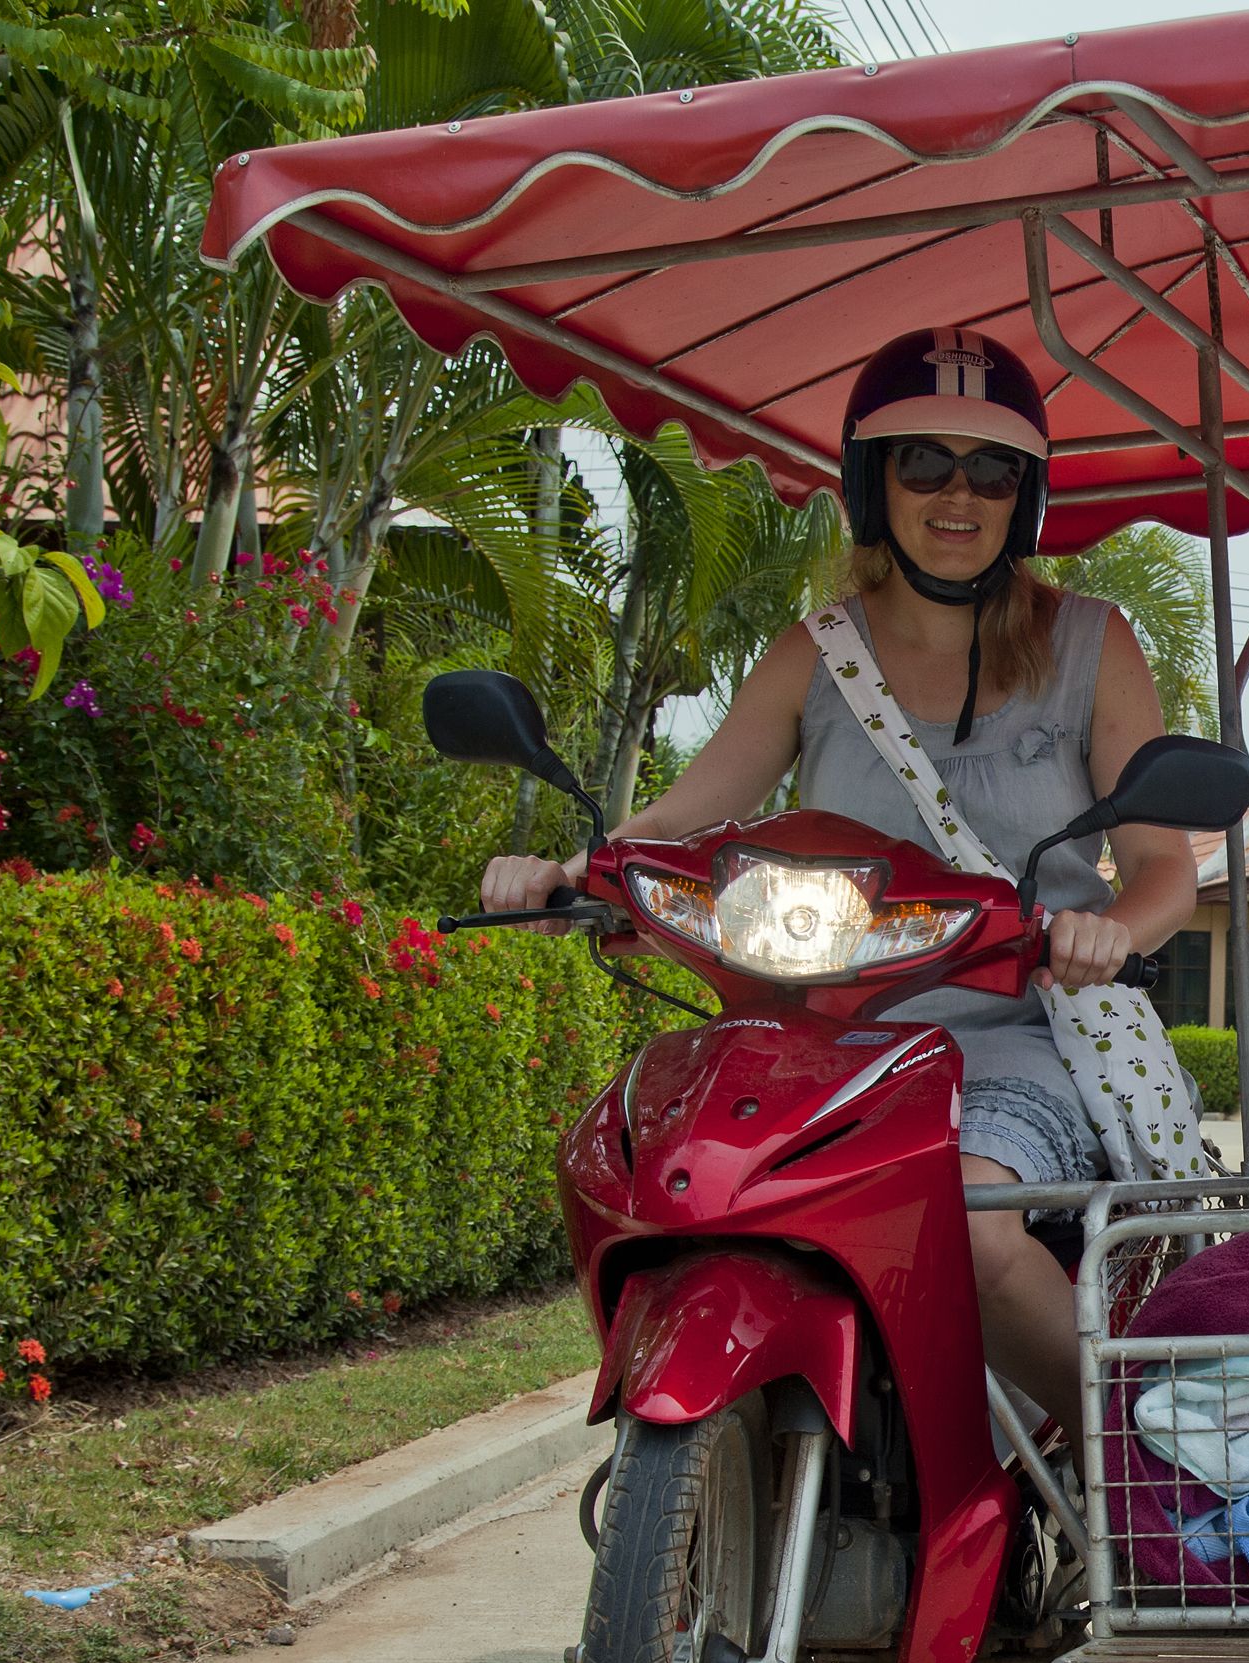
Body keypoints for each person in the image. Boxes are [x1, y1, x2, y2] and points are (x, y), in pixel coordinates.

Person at [475, 326, 1193, 1417]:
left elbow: (1161, 868)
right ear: (871, 485)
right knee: (687, 1182)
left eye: (990, 469)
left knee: (970, 1218)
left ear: (1025, 496)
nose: (958, 495)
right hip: (829, 1045)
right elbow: (686, 812)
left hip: (1017, 1031)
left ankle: (1129, 1486)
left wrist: (1110, 934)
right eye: (923, 464)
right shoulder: (817, 650)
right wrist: (574, 869)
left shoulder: (1095, 645)